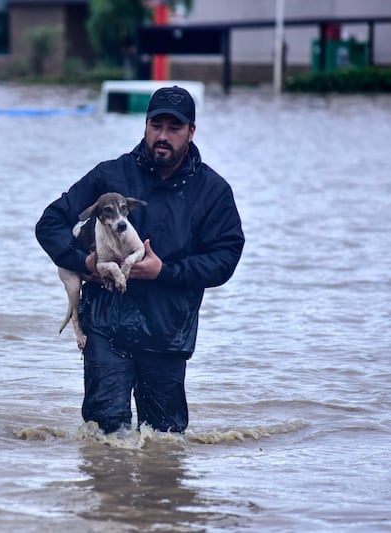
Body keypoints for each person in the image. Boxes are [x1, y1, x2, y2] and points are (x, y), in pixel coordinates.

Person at [35, 86, 244, 435]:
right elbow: (50, 223)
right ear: (145, 126)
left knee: (165, 445)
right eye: (155, 125)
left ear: (191, 132)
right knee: (106, 441)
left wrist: (164, 271)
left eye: (174, 128)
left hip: (168, 334)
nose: (163, 136)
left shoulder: (212, 191)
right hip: (105, 328)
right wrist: (86, 264)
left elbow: (225, 258)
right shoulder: (110, 176)